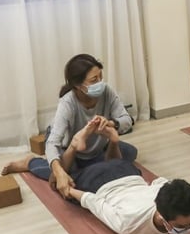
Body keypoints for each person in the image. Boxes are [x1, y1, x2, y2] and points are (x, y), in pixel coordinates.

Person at [4, 117, 190, 234]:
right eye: (182, 226)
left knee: (98, 160)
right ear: (162, 216)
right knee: (60, 177)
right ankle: (32, 162)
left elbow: (159, 182)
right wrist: (68, 189)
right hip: (97, 182)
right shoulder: (129, 225)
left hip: (127, 171)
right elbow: (94, 202)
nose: (189, 228)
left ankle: (97, 148)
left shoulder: (175, 200)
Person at [29, 53, 136, 199]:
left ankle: (87, 166)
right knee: (66, 175)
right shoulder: (68, 103)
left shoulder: (107, 92)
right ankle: (31, 162)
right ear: (78, 85)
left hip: (94, 146)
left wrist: (110, 123)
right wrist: (59, 172)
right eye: (94, 80)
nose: (100, 83)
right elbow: (53, 142)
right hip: (69, 147)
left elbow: (126, 120)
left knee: (130, 152)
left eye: (100, 77)